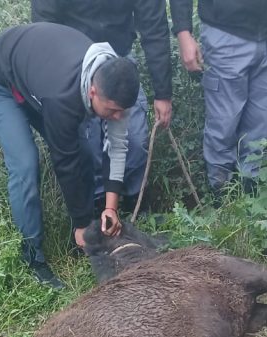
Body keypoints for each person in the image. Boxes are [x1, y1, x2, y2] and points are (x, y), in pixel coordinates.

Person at [0, 23, 140, 289]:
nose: (118, 116)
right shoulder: (63, 97)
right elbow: (65, 161)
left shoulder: (115, 82)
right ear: (93, 92)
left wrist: (110, 207)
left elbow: (117, 146)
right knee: (26, 164)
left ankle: (82, 236)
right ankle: (33, 258)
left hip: (34, 79)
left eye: (122, 111)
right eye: (112, 110)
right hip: (0, 82)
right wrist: (83, 223)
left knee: (84, 151)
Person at [30, 1, 173, 210]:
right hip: (74, 65)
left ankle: (134, 204)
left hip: (119, 63)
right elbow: (44, 22)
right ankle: (95, 210)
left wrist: (163, 93)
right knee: (88, 147)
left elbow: (154, 26)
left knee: (135, 141)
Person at [170, 0, 267, 195]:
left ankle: (250, 191)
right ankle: (221, 195)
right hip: (224, 33)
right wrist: (183, 32)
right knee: (223, 124)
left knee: (261, 122)